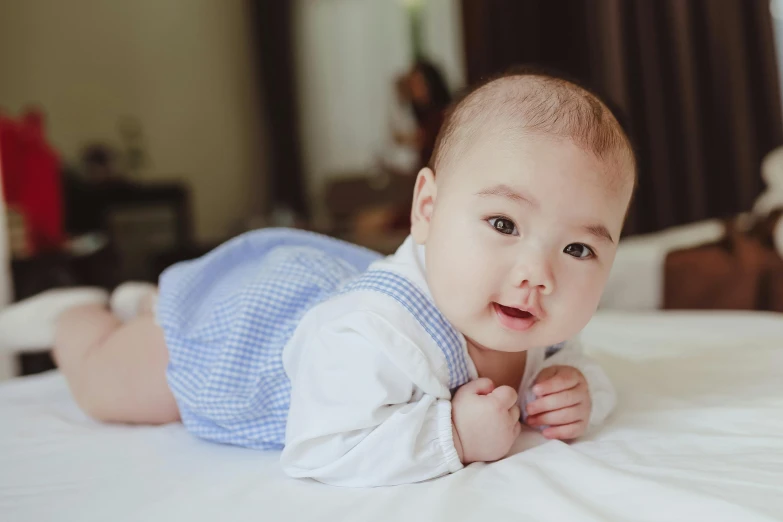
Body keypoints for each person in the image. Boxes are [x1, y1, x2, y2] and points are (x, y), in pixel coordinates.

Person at [43, 69, 636, 487]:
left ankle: (141, 303)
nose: (538, 274)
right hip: (246, 340)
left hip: (321, 298)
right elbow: (319, 445)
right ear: (426, 209)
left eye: (579, 248)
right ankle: (75, 313)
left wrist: (581, 393)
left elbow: (578, 368)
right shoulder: (370, 335)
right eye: (504, 222)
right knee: (103, 385)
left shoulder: (538, 323)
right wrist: (450, 435)